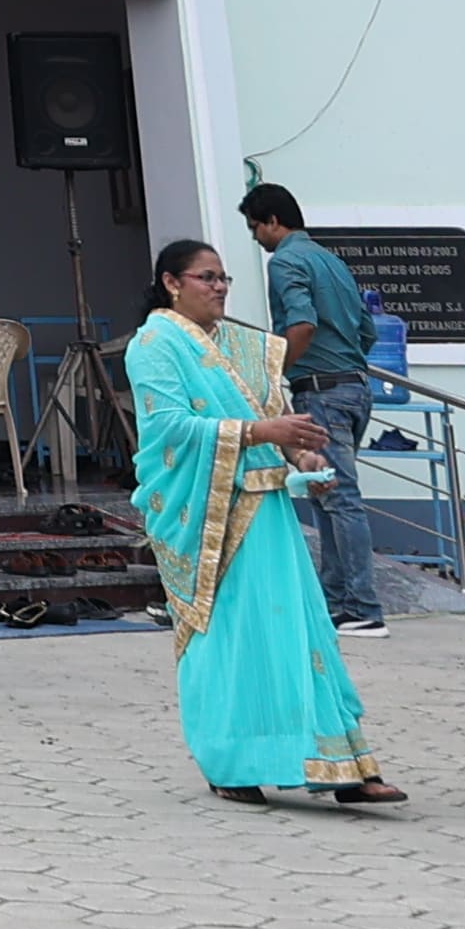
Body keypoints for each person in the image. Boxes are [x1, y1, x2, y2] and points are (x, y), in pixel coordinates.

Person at [130, 237, 404, 809]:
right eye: (206, 277)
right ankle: (231, 762)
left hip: (268, 513)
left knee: (300, 636)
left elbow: (276, 421)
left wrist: (306, 459)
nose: (220, 287)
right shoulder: (153, 345)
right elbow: (170, 429)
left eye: (224, 277)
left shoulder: (247, 348)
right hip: (208, 520)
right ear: (171, 283)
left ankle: (342, 764)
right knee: (232, 642)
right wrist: (261, 435)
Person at [241, 183, 386, 634]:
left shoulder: (285, 260)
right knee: (326, 495)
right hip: (355, 386)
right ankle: (338, 602)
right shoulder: (332, 260)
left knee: (339, 499)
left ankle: (364, 608)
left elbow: (302, 322)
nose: (254, 239)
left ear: (272, 221)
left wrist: (274, 371)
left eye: (254, 227)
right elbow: (367, 331)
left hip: (322, 389)